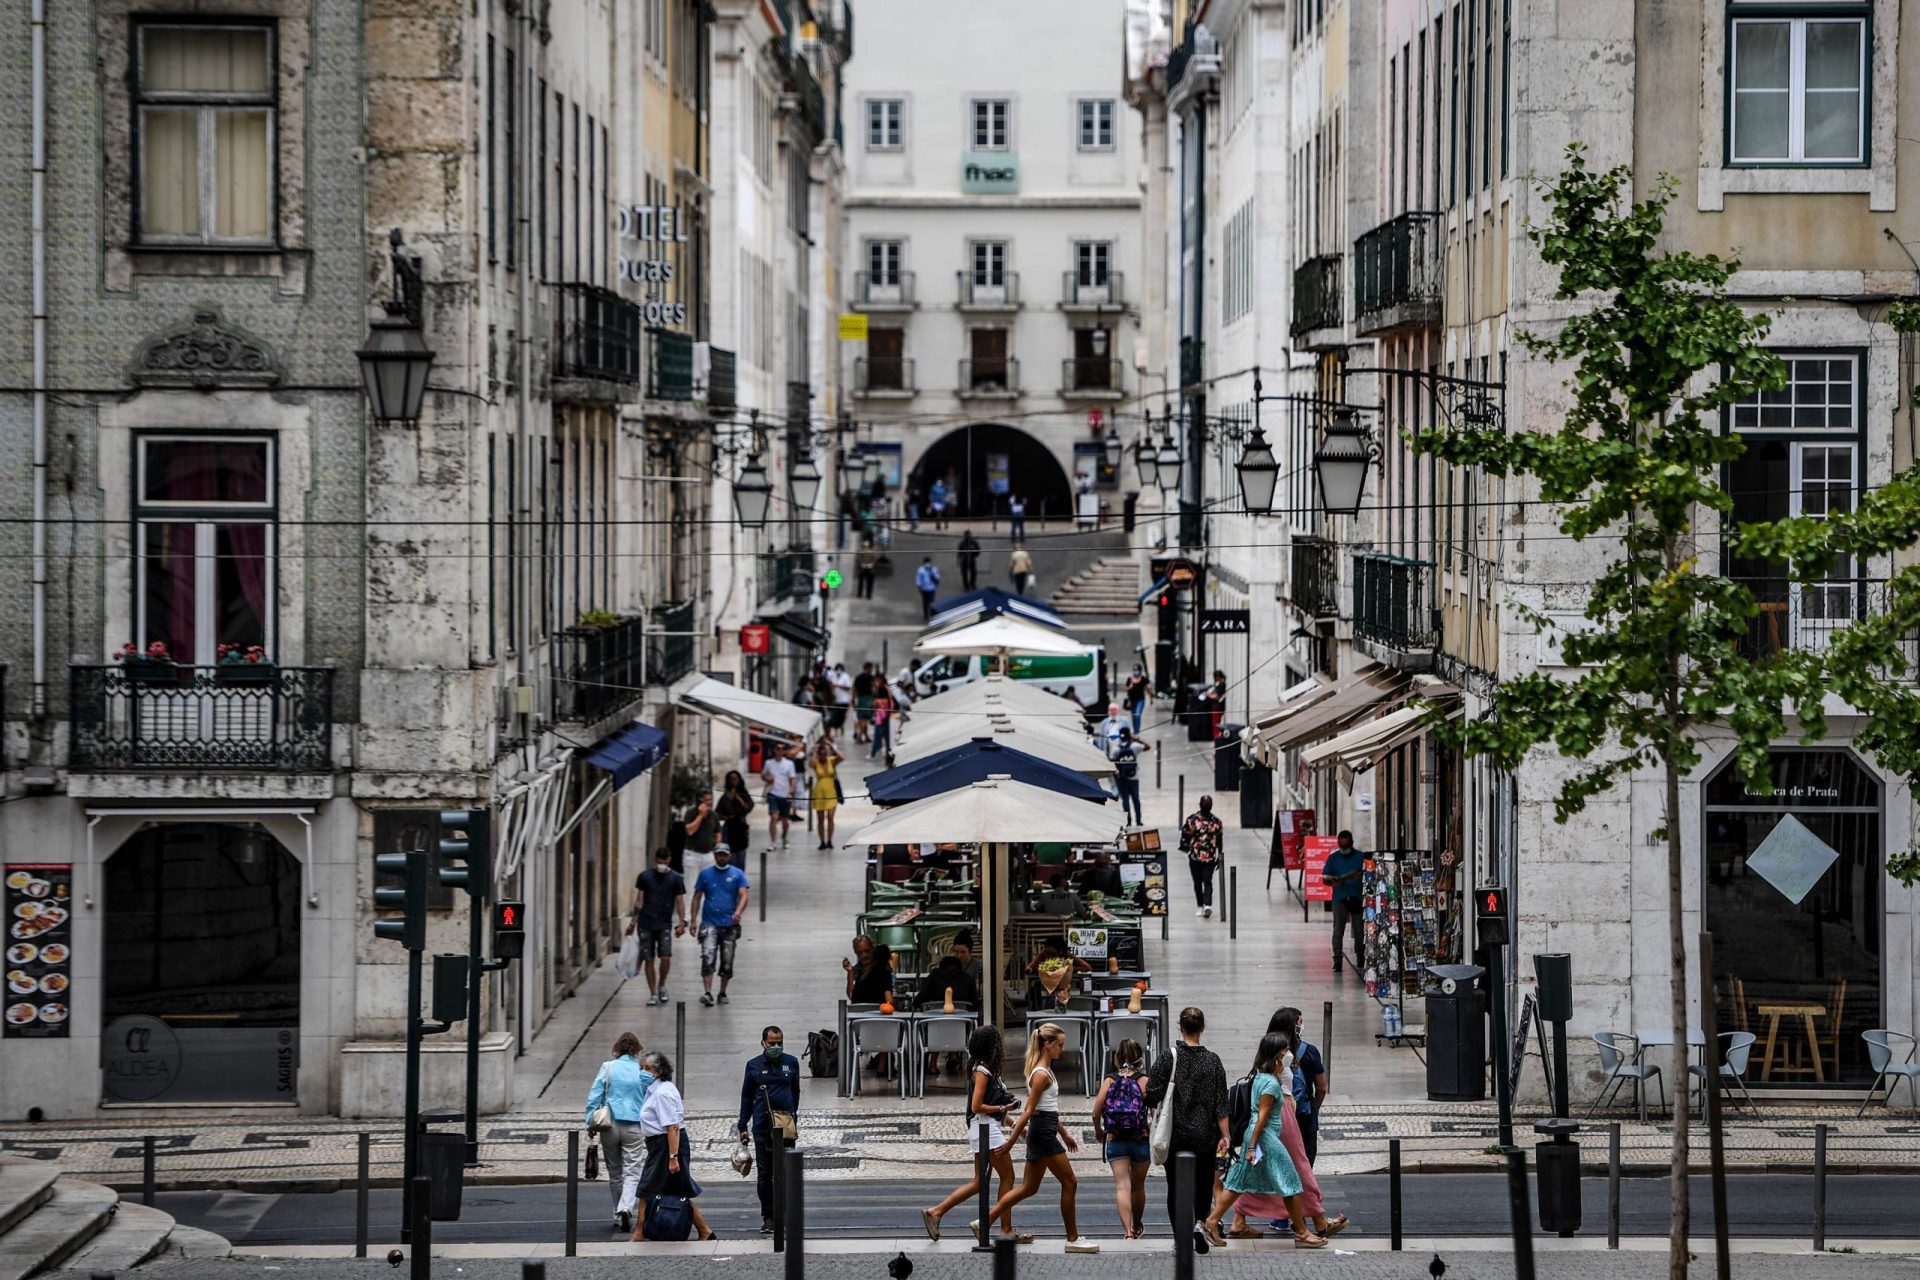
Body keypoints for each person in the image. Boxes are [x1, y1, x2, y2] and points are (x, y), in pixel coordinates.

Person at [1200, 1033, 1326, 1249]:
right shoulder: (1270, 1084)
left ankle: (1211, 1222)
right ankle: (1302, 1234)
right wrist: (1251, 1147)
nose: (1288, 1055)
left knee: (1239, 1183)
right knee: (1291, 1182)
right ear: (1277, 1055)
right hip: (1265, 1141)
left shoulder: (1261, 1076)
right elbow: (1261, 1118)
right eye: (1285, 1051)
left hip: (1258, 1139)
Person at [1233, 1009, 1346, 1239]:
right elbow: (1319, 1088)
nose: (1301, 1026)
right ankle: (1316, 1223)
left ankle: (1239, 1220)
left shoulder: (1268, 1050)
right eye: (1298, 1022)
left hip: (1278, 1115)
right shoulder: (1283, 1054)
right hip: (1283, 1115)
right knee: (1300, 1168)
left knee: (1257, 1172)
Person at [986, 1024, 1099, 1253]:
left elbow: (1047, 1109)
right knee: (1070, 1182)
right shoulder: (1040, 1074)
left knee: (1029, 1187)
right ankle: (1073, 1239)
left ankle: (985, 1221)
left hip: (1043, 1129)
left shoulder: (1043, 1070)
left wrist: (1065, 1133)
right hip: (1043, 1134)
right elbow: (1029, 1111)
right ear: (1047, 1045)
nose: (1062, 1049)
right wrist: (1011, 1141)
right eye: (1059, 1044)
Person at [921, 1026, 1029, 1245]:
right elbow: (977, 1105)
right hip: (985, 1129)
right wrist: (1002, 1109)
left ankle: (936, 1212)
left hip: (984, 1128)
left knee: (980, 1181)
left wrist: (1013, 1124)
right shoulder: (982, 1071)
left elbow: (992, 1104)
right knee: (1008, 1177)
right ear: (991, 1047)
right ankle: (1005, 1230)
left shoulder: (984, 1070)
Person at [1146, 1007, 1231, 1254]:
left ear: (1180, 1028)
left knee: (1175, 1187)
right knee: (1204, 1185)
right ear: (1202, 1028)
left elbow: (1151, 1095)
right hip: (1205, 1136)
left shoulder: (1167, 1057)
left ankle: (1179, 1240)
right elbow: (1221, 1104)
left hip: (1176, 1135)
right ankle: (1199, 1223)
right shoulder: (1213, 1061)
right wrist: (1225, 1135)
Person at [628, 1052, 717, 1242]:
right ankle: (705, 1230)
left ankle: (640, 1233)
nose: (643, 1072)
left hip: (666, 1145)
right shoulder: (655, 1090)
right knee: (676, 1190)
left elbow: (673, 1126)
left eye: (647, 1069)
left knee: (647, 1188)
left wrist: (673, 1157)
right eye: (641, 1068)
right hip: (660, 1145)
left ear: (658, 1072)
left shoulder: (662, 1093)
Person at [585, 1032, 653, 1234]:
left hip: (610, 1126)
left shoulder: (608, 1068)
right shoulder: (643, 1071)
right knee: (632, 1171)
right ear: (637, 1049)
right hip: (634, 1126)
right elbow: (651, 1098)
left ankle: (617, 1213)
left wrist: (590, 1123)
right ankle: (626, 1208)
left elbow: (594, 1097)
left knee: (615, 1173)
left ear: (618, 1048)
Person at [737, 1026, 802, 1234]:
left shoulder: (791, 1063)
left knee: (785, 1172)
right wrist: (742, 1125)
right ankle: (769, 1217)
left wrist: (792, 1116)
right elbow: (746, 1096)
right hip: (762, 1128)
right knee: (765, 1174)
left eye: (779, 1043)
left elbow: (795, 1091)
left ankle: (785, 1213)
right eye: (772, 1043)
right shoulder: (753, 1066)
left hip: (785, 1127)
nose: (776, 1046)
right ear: (763, 1043)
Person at [1091, 1037, 1153, 1239]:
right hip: (1140, 1138)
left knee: (1122, 1186)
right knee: (1138, 1187)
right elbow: (1155, 1112)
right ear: (1140, 1058)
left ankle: (1126, 1232)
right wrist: (1151, 1131)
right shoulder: (1144, 1081)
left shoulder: (1110, 1080)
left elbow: (1095, 1112)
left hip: (1115, 1138)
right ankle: (1136, 1226)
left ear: (1117, 1057)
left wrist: (1099, 1131)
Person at [626, 849, 688, 1006]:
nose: (662, 864)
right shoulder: (645, 877)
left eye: (665, 861)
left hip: (664, 924)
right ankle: (653, 992)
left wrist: (682, 922)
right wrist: (633, 922)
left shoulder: (675, 878)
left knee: (665, 957)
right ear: (655, 860)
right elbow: (639, 900)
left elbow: (680, 901)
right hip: (646, 924)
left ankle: (662, 985)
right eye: (660, 861)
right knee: (648, 959)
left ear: (670, 860)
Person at [689, 846, 749, 1007]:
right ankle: (707, 992)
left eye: (724, 855)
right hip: (709, 923)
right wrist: (693, 920)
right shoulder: (705, 874)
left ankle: (722, 992)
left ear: (729, 856)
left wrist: (738, 911)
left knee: (727, 959)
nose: (721, 858)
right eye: (719, 855)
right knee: (708, 957)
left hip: (729, 924)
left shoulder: (737, 874)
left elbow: (744, 895)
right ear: (715, 856)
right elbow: (697, 897)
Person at [1323, 830, 1367, 974]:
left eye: (1346, 844)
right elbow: (1326, 879)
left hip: (1357, 897)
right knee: (1338, 930)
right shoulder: (1333, 858)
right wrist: (1340, 880)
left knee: (1359, 930)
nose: (1344, 847)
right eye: (1341, 844)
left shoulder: (1361, 857)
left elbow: (1369, 875)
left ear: (1352, 842)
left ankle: (1361, 957)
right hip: (1340, 898)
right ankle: (1337, 960)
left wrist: (1359, 876)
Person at [1180, 795, 1224, 918]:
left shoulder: (1216, 822)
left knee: (1207, 880)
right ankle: (1200, 905)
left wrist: (1220, 855)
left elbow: (1220, 839)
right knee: (1197, 882)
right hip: (1195, 857)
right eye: (1204, 805)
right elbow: (1184, 835)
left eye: (1209, 805)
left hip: (1209, 857)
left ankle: (1207, 904)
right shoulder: (1192, 820)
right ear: (1200, 805)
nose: (1206, 807)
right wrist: (1190, 834)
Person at [810, 735, 845, 849]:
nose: (823, 755)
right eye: (822, 753)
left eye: (825, 753)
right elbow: (811, 763)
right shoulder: (816, 762)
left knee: (830, 817)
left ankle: (830, 840)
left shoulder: (831, 761)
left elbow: (841, 757)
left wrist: (832, 747)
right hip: (819, 792)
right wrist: (815, 751)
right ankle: (822, 841)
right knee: (820, 819)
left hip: (831, 792)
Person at [762, 744, 799, 848]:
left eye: (782, 749)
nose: (780, 750)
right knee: (774, 817)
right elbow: (763, 774)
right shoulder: (768, 763)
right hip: (773, 793)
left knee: (785, 819)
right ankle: (773, 841)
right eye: (778, 748)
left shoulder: (789, 763)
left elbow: (793, 779)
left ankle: (785, 837)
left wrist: (791, 792)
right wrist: (767, 779)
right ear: (775, 750)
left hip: (785, 794)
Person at [1112, 729, 1150, 826]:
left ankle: (1128, 821)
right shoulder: (1134, 746)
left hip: (1122, 778)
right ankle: (1138, 820)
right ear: (1129, 735)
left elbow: (1111, 760)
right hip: (1134, 778)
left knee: (1125, 800)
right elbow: (1147, 747)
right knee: (1136, 799)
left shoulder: (1116, 749)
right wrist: (1137, 740)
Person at [716, 772, 755, 862]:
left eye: (736, 778)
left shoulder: (743, 794)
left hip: (740, 825)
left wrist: (738, 798)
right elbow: (718, 813)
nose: (734, 781)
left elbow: (748, 807)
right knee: (729, 853)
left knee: (741, 853)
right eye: (731, 778)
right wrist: (727, 817)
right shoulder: (725, 796)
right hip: (729, 828)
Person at [843, 935, 894, 1005]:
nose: (864, 955)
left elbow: (888, 997)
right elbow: (851, 994)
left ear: (872, 949)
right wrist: (850, 972)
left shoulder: (882, 970)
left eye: (867, 951)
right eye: (860, 953)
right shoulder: (856, 970)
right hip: (858, 1011)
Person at [682, 790, 718, 857]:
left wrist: (716, 850)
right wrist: (701, 815)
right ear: (700, 800)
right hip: (692, 854)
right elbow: (690, 831)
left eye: (711, 800)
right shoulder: (691, 813)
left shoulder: (714, 815)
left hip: (709, 854)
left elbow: (718, 834)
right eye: (707, 800)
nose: (710, 802)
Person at [852, 663, 877, 744]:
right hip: (868, 698)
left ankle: (864, 735)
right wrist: (875, 698)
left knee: (861, 718)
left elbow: (854, 689)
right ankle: (861, 736)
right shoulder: (870, 677)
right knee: (865, 719)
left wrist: (853, 699)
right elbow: (874, 688)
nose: (872, 670)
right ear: (868, 668)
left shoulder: (858, 677)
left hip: (860, 699)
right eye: (871, 668)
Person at [869, 686, 895, 760]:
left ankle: (872, 754)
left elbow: (873, 706)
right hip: (887, 720)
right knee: (888, 740)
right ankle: (888, 754)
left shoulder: (878, 701)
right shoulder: (889, 701)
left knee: (877, 738)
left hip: (879, 721)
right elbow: (892, 707)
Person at [1202, 668, 1229, 739]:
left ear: (1217, 677)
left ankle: (1216, 738)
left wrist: (1208, 695)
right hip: (1215, 706)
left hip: (1217, 706)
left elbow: (1216, 697)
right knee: (1215, 723)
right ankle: (1216, 737)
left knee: (1216, 723)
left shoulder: (1221, 685)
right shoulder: (1218, 685)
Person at [1124, 664, 1151, 733]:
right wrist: (1130, 687)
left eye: (1137, 670)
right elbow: (1125, 688)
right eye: (1134, 670)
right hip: (1132, 700)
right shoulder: (1130, 679)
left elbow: (1147, 689)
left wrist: (1151, 698)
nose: (1135, 672)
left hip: (1140, 699)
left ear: (1140, 671)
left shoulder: (1143, 679)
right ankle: (1135, 729)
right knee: (1133, 716)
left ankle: (1137, 731)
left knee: (1137, 715)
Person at [827, 663, 854, 732]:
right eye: (837, 669)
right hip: (835, 700)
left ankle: (840, 726)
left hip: (844, 700)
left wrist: (838, 685)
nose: (838, 671)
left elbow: (848, 687)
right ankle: (835, 728)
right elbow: (829, 685)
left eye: (840, 669)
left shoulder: (846, 676)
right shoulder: (832, 675)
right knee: (835, 715)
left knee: (842, 716)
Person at [914, 556, 942, 621]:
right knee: (925, 602)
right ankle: (926, 615)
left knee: (932, 602)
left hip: (931, 589)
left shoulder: (934, 569)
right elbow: (918, 579)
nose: (927, 564)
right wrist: (919, 587)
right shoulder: (921, 570)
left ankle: (932, 615)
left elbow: (937, 577)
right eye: (926, 563)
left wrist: (933, 575)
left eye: (928, 563)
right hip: (924, 589)